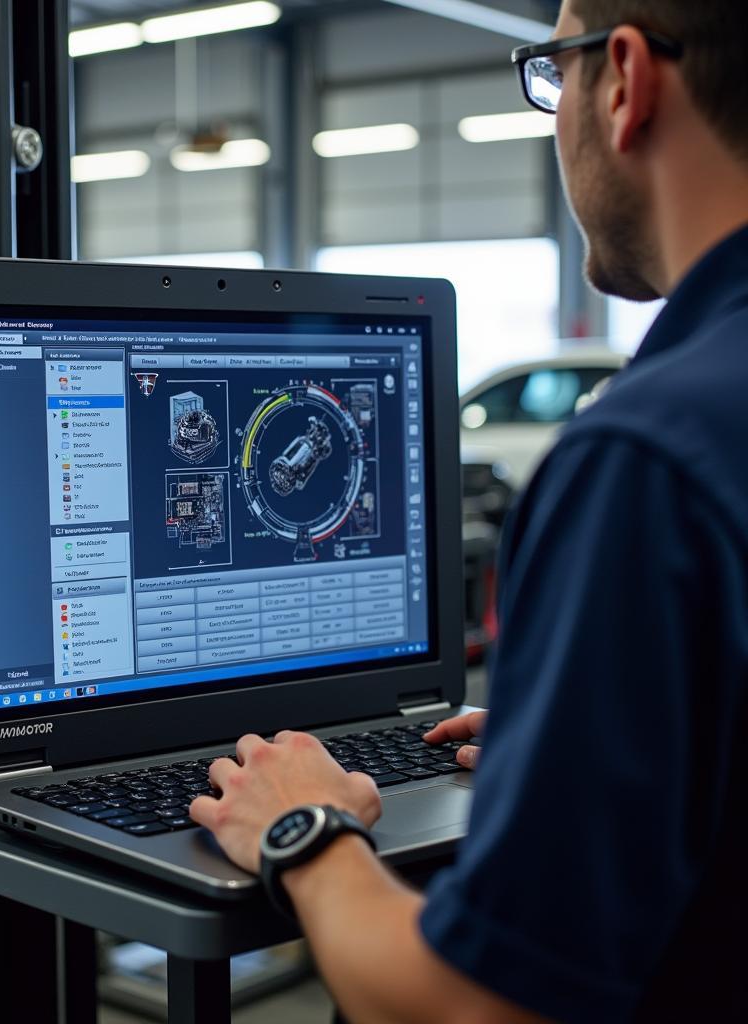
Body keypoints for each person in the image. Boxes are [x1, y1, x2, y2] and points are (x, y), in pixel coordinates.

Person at [190, 0, 748, 1019]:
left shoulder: (647, 458)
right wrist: (580, 740)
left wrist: (307, 830)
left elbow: (475, 1005)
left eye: (551, 72)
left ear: (620, 81)